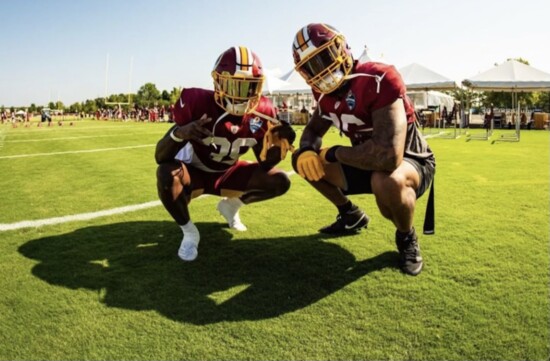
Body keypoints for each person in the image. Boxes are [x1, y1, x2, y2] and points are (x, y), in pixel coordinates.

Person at [290, 24, 435, 276]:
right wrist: (306, 150)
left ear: (342, 48)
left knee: (386, 180)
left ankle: (406, 237)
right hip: (364, 162)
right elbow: (313, 131)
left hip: (409, 161)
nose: (322, 70)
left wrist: (334, 152)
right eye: (312, 67)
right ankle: (350, 214)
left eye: (324, 58)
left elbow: (388, 156)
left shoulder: (378, 78)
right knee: (302, 161)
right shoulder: (323, 94)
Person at [155, 46, 296, 262]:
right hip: (194, 173)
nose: (241, 95)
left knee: (280, 181)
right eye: (234, 85)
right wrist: (180, 133)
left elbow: (265, 164)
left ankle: (231, 206)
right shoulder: (197, 102)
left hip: (228, 172)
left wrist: (276, 147)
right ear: (219, 83)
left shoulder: (263, 112)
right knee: (166, 173)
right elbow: (160, 156)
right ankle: (190, 232)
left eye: (249, 87)